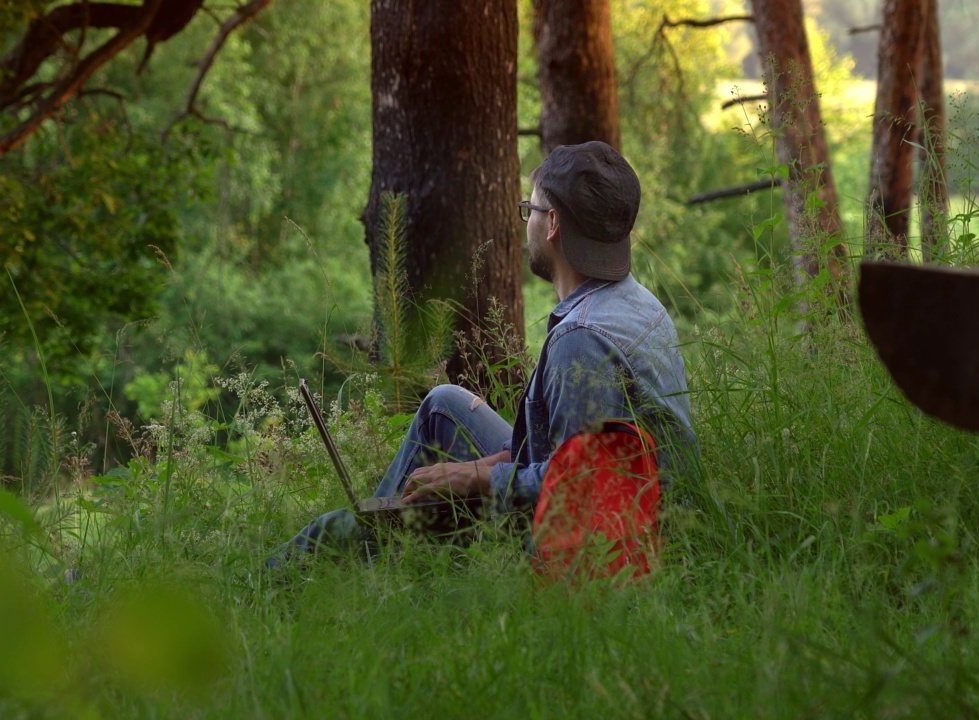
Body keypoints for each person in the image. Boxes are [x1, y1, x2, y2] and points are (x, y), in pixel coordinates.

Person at [266, 141, 696, 567]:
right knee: (444, 405)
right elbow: (569, 452)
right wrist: (488, 464)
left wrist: (477, 476)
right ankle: (383, 527)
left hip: (619, 527)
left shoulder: (581, 337)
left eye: (530, 208)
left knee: (338, 532)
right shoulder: (636, 301)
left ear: (553, 225)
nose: (525, 221)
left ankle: (326, 559)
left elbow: (577, 486)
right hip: (638, 495)